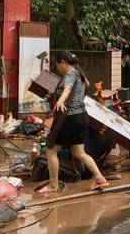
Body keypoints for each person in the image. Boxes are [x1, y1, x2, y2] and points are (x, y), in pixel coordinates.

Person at [38, 51, 110, 195]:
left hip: (69, 118)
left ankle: (53, 185)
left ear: (63, 63)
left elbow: (68, 88)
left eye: (57, 65)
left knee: (51, 150)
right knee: (79, 152)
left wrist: (60, 100)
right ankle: (99, 178)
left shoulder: (70, 74)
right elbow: (87, 84)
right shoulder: (79, 74)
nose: (57, 68)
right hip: (82, 117)